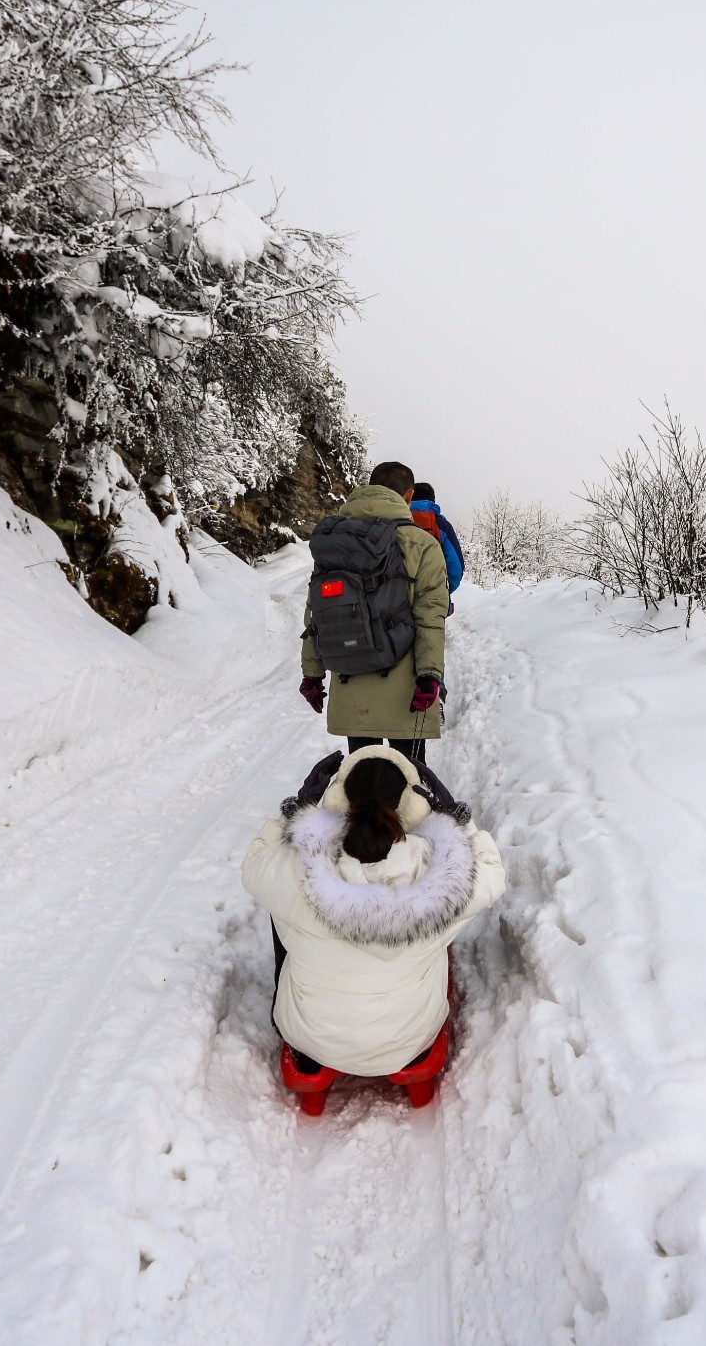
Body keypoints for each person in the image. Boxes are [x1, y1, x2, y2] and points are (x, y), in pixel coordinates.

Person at [244, 746, 506, 1077]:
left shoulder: (300, 867)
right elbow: (492, 876)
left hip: (310, 1039)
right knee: (441, 929)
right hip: (409, 1042)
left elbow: (254, 865)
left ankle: (310, 1050)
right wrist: (456, 822)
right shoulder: (439, 872)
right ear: (410, 803)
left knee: (282, 905)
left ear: (340, 798)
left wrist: (296, 811)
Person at [298, 461, 450, 762]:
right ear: (408, 496)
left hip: (350, 677)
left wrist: (312, 674)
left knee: (363, 777)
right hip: (405, 685)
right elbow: (430, 616)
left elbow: (317, 611)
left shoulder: (337, 541)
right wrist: (430, 675)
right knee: (411, 781)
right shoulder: (421, 543)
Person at [407, 482, 465, 595]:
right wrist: (444, 591)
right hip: (431, 593)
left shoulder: (396, 519)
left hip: (396, 595)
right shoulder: (441, 525)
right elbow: (456, 567)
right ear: (432, 500)